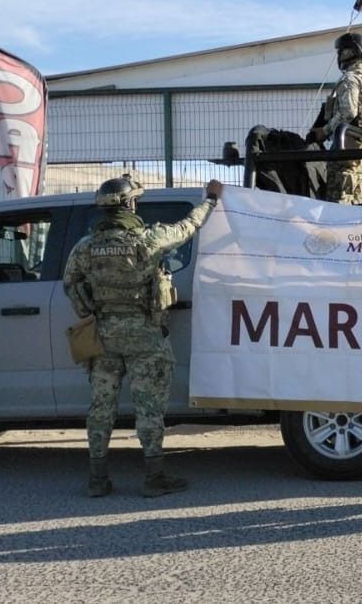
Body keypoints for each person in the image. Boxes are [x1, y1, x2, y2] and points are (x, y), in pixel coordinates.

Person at [63, 174, 223, 498]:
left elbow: (71, 283)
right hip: (145, 336)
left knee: (101, 408)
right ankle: (154, 478)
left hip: (103, 336)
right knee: (149, 408)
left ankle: (97, 479)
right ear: (130, 205)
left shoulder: (85, 247)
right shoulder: (148, 240)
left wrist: (89, 306)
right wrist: (211, 200)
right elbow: (189, 226)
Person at [308, 32, 362, 204]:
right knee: (356, 203)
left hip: (346, 152)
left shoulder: (350, 79)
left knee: (338, 206)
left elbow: (348, 113)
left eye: (341, 51)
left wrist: (324, 131)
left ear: (350, 52)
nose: (339, 55)